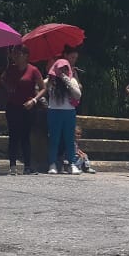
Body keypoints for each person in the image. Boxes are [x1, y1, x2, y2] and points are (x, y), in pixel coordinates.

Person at [0, 44, 43, 175]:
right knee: (13, 136)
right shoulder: (10, 69)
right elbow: (1, 79)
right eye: (14, 54)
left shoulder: (33, 70)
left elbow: (43, 87)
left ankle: (27, 166)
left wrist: (34, 100)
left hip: (27, 106)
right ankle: (12, 166)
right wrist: (7, 87)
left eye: (18, 54)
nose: (16, 56)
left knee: (25, 136)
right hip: (13, 106)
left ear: (25, 56)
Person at [39, 46, 83, 175]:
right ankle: (52, 163)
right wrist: (43, 102)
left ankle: (72, 163)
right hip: (54, 112)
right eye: (60, 68)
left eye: (65, 68)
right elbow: (38, 87)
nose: (62, 70)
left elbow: (78, 95)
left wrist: (66, 80)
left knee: (69, 139)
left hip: (69, 112)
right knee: (54, 139)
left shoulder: (72, 79)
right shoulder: (50, 81)